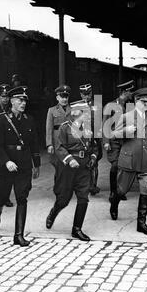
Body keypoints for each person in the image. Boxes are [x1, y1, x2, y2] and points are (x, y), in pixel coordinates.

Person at [0, 86, 40, 246]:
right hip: (6, 166)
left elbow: (34, 144)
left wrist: (37, 164)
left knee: (22, 197)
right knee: (3, 196)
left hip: (24, 164)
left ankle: (18, 235)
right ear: (12, 101)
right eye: (20, 99)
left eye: (25, 100)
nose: (23, 102)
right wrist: (6, 161)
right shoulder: (2, 119)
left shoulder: (29, 119)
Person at [45, 100, 99, 241]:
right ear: (77, 113)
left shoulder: (88, 129)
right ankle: (53, 212)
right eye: (86, 112)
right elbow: (59, 147)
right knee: (64, 199)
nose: (88, 115)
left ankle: (77, 229)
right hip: (69, 167)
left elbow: (94, 147)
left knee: (83, 198)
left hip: (84, 167)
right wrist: (70, 159)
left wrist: (93, 157)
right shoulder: (65, 128)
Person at [109, 87, 147, 235]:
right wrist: (125, 131)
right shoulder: (125, 117)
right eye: (144, 101)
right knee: (122, 189)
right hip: (129, 159)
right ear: (136, 101)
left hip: (145, 160)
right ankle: (114, 203)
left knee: (145, 189)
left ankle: (141, 223)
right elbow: (113, 134)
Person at [103, 80, 134, 202]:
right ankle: (112, 192)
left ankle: (120, 190)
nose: (131, 93)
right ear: (123, 92)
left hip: (126, 141)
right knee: (115, 166)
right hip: (114, 140)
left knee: (124, 166)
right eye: (129, 91)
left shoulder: (130, 105)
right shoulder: (110, 105)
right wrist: (105, 141)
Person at [46, 85, 71, 200]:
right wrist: (49, 144)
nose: (64, 99)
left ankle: (66, 190)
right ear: (57, 97)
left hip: (70, 142)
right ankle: (58, 190)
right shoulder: (52, 110)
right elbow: (49, 128)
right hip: (57, 143)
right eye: (62, 96)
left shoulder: (74, 109)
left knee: (67, 168)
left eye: (66, 96)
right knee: (59, 167)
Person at [79, 83, 103, 195]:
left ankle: (93, 185)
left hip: (94, 137)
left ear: (91, 93)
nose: (86, 96)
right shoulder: (77, 106)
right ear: (80, 94)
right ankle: (85, 185)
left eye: (88, 94)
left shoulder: (97, 105)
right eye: (84, 94)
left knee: (94, 161)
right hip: (82, 138)